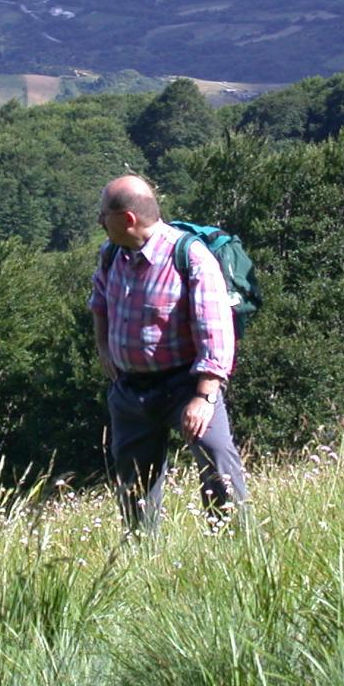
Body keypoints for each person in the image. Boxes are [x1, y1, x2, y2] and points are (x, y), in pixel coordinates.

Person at [89, 174, 249, 531]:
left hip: (186, 386)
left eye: (104, 214)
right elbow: (99, 303)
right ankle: (143, 561)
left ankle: (238, 547)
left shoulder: (190, 256)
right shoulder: (110, 254)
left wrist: (204, 397)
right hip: (130, 391)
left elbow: (216, 331)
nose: (100, 221)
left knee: (218, 463)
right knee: (134, 489)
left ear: (127, 218)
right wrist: (104, 349)